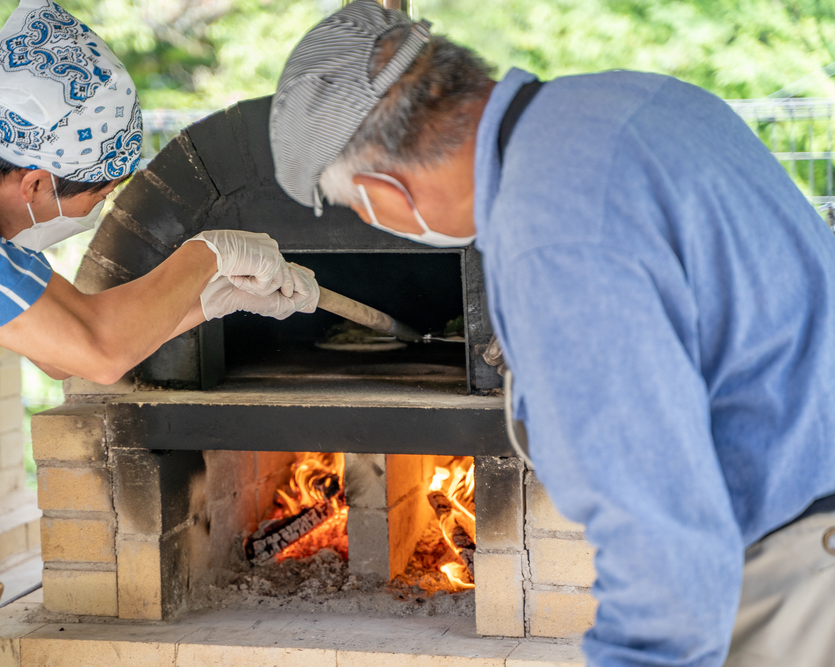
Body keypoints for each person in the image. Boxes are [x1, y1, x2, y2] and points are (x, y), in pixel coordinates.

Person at [268, 2, 835, 665]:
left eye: (351, 206)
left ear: (380, 188)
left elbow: (661, 538)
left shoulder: (553, 234)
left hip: (795, 567)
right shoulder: (635, 98)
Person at [0, 0, 317, 663]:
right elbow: (95, 350)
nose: (100, 211)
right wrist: (207, 253)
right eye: (100, 196)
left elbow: (68, 349)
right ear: (35, 181)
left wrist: (213, 302)